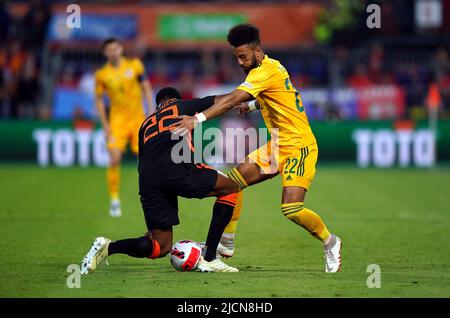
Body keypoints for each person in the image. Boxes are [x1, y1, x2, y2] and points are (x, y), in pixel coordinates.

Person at [171, 24, 342, 273]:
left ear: (258, 51)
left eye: (243, 56)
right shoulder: (272, 66)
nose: (240, 62)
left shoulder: (262, 73)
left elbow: (231, 98)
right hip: (276, 145)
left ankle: (331, 242)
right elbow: (282, 96)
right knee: (231, 185)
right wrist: (252, 107)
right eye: (237, 57)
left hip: (299, 145)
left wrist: (196, 119)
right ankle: (226, 244)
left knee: (291, 209)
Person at [80, 87, 240, 274]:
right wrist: (249, 99)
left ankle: (109, 247)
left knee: (160, 245)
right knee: (230, 188)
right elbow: (226, 100)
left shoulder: (145, 124)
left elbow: (144, 158)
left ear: (157, 105)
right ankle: (210, 257)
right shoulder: (181, 106)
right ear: (174, 99)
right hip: (175, 166)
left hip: (148, 179)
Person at [95, 38, 154, 217]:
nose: (113, 52)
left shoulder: (135, 65)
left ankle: (151, 196)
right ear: (105, 53)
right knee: (114, 159)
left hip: (137, 119)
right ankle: (114, 200)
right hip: (117, 122)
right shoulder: (102, 75)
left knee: (146, 160)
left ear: (121, 49)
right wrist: (105, 126)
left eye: (115, 48)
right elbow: (98, 100)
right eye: (109, 50)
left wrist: (151, 113)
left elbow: (146, 88)